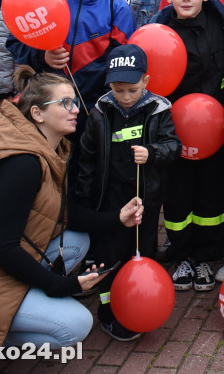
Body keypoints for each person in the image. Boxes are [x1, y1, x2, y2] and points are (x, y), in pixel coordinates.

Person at [0, 68, 143, 374]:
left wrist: (117, 218)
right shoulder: (24, 163)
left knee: (78, 241)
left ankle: (5, 314)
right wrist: (61, 285)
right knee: (76, 324)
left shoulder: (46, 147)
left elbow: (60, 212)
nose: (76, 110)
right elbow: (3, 249)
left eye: (74, 102)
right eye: (65, 104)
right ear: (37, 113)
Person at [76, 45, 179, 340]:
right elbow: (86, 155)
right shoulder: (100, 110)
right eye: (118, 89)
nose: (125, 97)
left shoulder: (159, 109)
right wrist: (84, 196)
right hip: (110, 197)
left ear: (146, 81)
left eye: (132, 89)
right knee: (109, 255)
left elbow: (174, 147)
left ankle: (141, 305)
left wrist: (152, 152)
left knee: (143, 251)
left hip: (146, 199)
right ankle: (109, 308)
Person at [7, 0, 135, 149]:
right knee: (50, 170)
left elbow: (120, 64)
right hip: (48, 110)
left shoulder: (118, 8)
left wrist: (103, 105)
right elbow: (15, 43)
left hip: (95, 110)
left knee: (88, 173)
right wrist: (42, 56)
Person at [149, 0, 224, 289]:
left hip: (211, 121)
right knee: (177, 191)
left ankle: (206, 254)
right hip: (172, 123)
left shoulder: (217, 23)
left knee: (211, 188)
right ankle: (182, 254)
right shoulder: (160, 26)